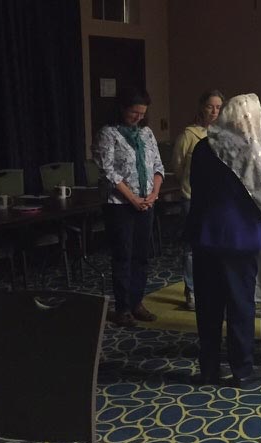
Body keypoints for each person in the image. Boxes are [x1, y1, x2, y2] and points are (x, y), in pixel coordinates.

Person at [185, 93, 261, 389]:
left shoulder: (204, 146)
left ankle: (208, 370)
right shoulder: (248, 150)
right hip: (238, 239)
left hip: (205, 234)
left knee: (208, 306)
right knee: (239, 306)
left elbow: (195, 186)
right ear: (247, 120)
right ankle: (242, 370)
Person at [93, 87, 165, 327]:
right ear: (123, 108)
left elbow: (157, 165)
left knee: (141, 256)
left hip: (146, 203)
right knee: (123, 255)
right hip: (120, 205)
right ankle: (123, 307)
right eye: (134, 112)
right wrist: (133, 199)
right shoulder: (108, 133)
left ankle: (137, 302)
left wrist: (153, 194)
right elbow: (108, 172)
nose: (138, 117)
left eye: (142, 113)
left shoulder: (146, 133)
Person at [172, 89, 224, 310]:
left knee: (216, 245)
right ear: (202, 107)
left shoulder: (224, 135)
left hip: (218, 200)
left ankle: (212, 288)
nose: (214, 111)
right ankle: (191, 290)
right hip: (192, 197)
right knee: (192, 248)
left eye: (219, 107)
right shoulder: (189, 135)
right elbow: (177, 165)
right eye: (210, 106)